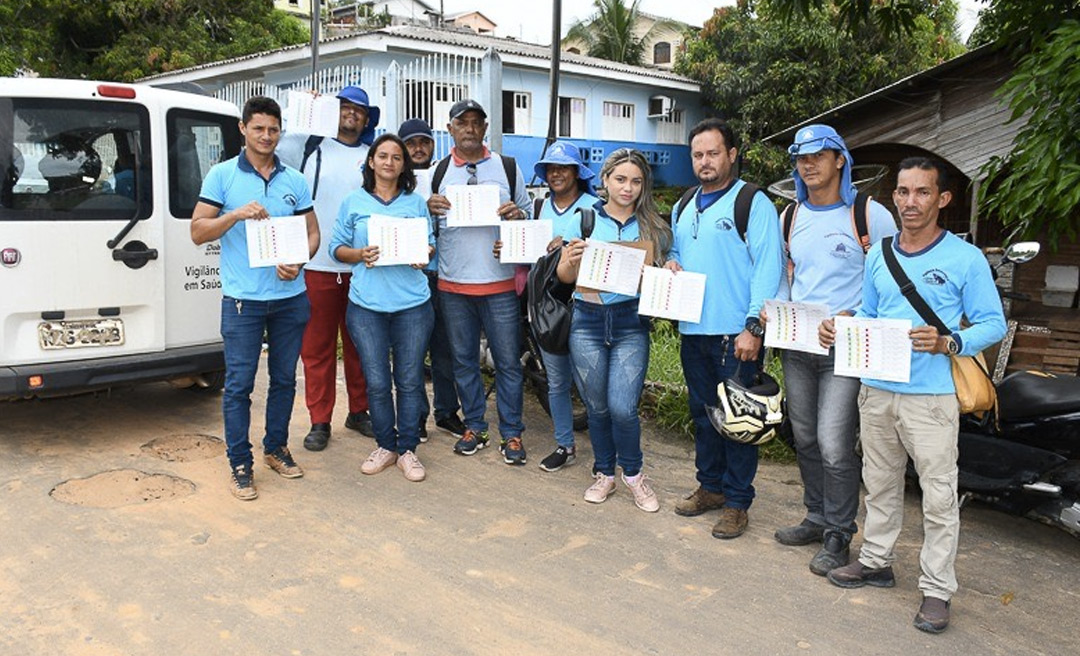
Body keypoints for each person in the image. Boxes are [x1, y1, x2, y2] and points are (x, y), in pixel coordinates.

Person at [820, 157, 1006, 634]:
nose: (910, 202)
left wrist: (949, 343)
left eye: (922, 192)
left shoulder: (965, 259)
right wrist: (842, 324)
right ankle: (877, 561)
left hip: (932, 395)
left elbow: (992, 323)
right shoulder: (879, 253)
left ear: (942, 199)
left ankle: (937, 590)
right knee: (879, 484)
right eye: (902, 192)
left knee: (939, 496)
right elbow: (869, 309)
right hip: (877, 389)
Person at [770, 125, 897, 574]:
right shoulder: (789, 216)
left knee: (833, 442)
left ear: (840, 159)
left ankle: (840, 533)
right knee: (803, 435)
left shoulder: (869, 214)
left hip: (847, 349)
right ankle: (817, 514)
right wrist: (776, 309)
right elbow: (787, 274)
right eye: (801, 158)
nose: (808, 165)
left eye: (818, 156)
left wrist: (853, 315)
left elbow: (890, 281)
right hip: (798, 343)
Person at [191, 96, 320, 501]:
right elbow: (197, 231)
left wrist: (298, 261)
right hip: (243, 301)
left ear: (280, 132)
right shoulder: (222, 175)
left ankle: (276, 448)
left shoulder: (294, 180)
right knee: (239, 386)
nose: (266, 136)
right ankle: (239, 462)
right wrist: (234, 216)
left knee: (284, 380)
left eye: (273, 129)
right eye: (259, 128)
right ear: (243, 129)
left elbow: (312, 234)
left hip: (289, 298)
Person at [665, 118, 783, 538]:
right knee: (703, 414)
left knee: (741, 421)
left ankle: (736, 502)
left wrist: (753, 326)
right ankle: (710, 487)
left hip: (736, 335)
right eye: (698, 155)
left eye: (713, 153)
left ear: (732, 155)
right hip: (693, 329)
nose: (705, 161)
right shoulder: (683, 204)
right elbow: (677, 249)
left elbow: (768, 270)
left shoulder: (752, 201)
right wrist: (670, 262)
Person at [556, 148, 671, 511]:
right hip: (587, 320)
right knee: (597, 407)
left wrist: (668, 269)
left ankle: (634, 474)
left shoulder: (654, 224)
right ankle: (604, 472)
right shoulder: (584, 218)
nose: (628, 188)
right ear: (605, 180)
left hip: (630, 321)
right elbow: (564, 278)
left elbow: (669, 265)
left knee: (623, 407)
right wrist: (570, 261)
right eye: (621, 179)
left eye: (636, 181)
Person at [426, 99, 532, 465]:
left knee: (508, 363)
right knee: (464, 362)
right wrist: (428, 208)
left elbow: (528, 212)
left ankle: (512, 433)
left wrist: (517, 216)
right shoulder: (437, 173)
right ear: (450, 129)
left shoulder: (507, 167)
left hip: (500, 285)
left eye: (476, 122)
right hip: (453, 285)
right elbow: (425, 228)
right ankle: (475, 426)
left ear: (485, 128)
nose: (469, 128)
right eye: (462, 122)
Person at [277, 86, 377, 452]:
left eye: (359, 110)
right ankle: (320, 420)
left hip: (363, 267)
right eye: (344, 107)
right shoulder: (307, 147)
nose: (351, 113)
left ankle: (360, 410)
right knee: (316, 348)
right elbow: (279, 144)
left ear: (368, 119)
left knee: (361, 345)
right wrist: (305, 110)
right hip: (316, 264)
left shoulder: (372, 156)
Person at [330, 134, 435, 482]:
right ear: (371, 162)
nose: (389, 162)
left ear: (404, 165)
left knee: (408, 380)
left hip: (412, 305)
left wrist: (424, 256)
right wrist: (360, 255)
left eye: (396, 157)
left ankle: (407, 450)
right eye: (383, 156)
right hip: (366, 306)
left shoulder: (415, 203)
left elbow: (430, 245)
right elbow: (336, 248)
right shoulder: (353, 202)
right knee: (376, 381)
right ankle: (385, 445)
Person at [530, 141, 600, 472]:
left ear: (577, 172)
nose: (556, 173)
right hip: (549, 307)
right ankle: (564, 445)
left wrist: (569, 247)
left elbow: (604, 252)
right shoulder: (539, 206)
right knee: (556, 380)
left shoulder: (595, 206)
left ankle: (605, 449)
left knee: (592, 383)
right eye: (551, 168)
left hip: (587, 305)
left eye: (564, 168)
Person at [398, 118, 467, 442]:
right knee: (411, 352)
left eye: (424, 141)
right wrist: (423, 209)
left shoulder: (444, 174)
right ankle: (416, 416)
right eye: (411, 143)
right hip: (410, 276)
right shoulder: (393, 182)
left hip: (444, 273)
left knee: (444, 350)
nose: (418, 148)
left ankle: (446, 412)